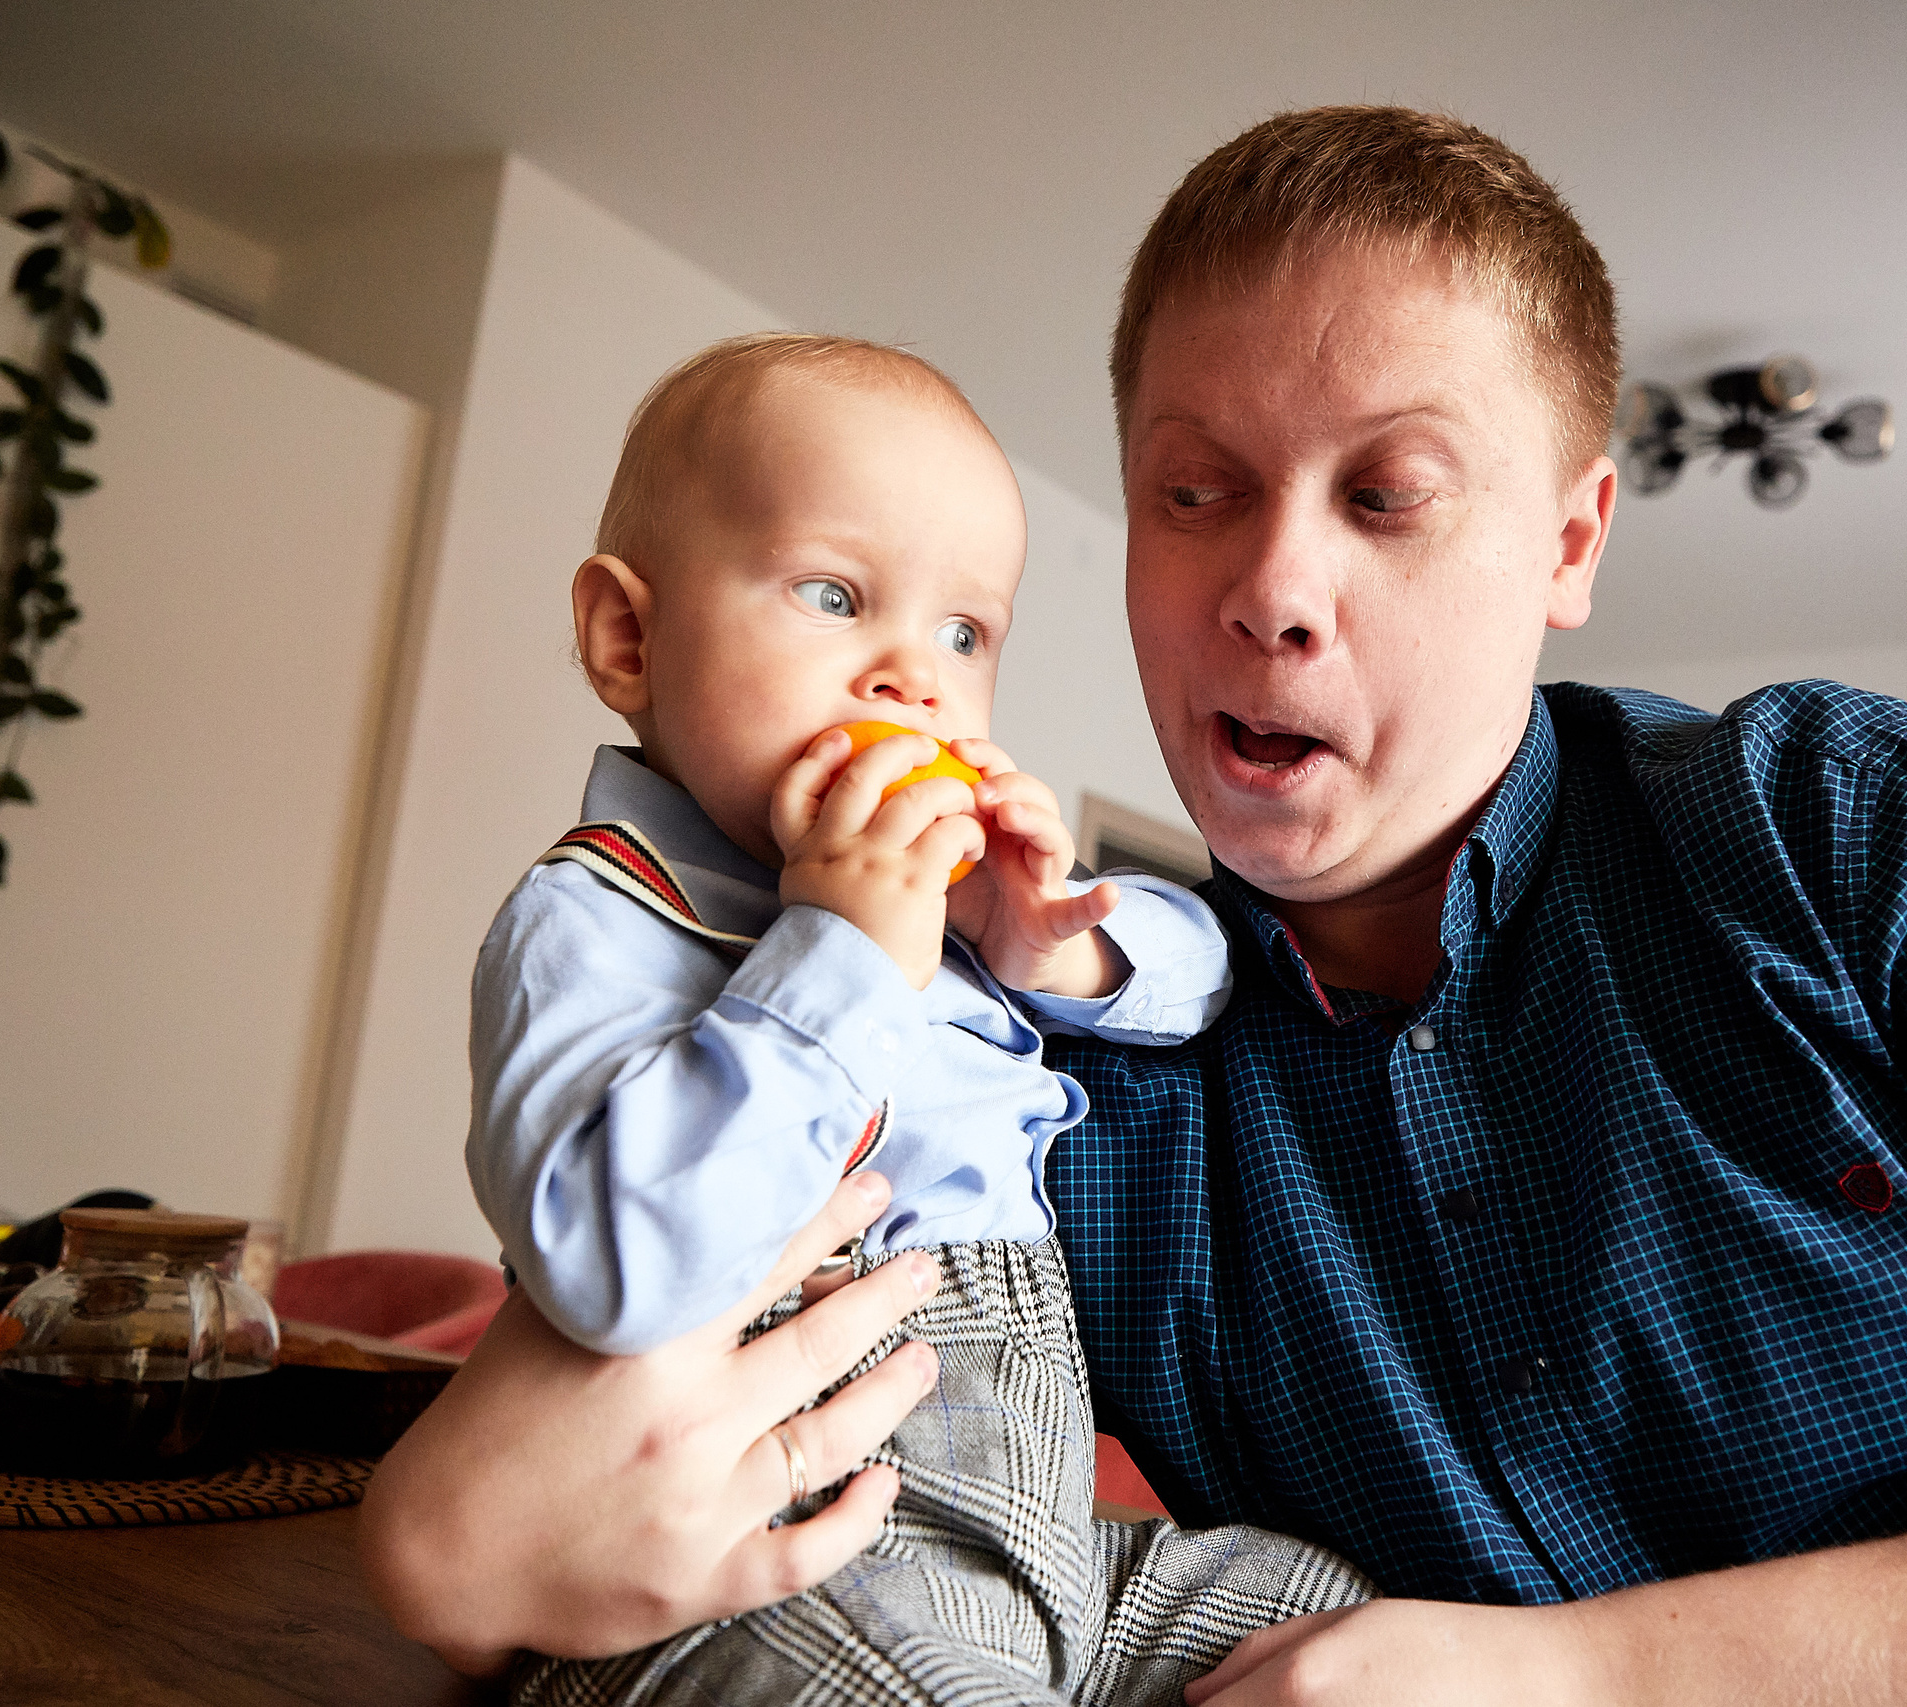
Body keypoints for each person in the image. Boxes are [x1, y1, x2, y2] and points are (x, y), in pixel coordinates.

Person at [365, 110, 1907, 1704]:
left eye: (1386, 493)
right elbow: (637, 1363)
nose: (1271, 589)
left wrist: (1587, 1680)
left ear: (1571, 541)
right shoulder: (1081, 1064)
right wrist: (442, 1540)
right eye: (1193, 492)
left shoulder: (1842, 833)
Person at [458, 332, 1369, 1705]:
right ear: (629, 639)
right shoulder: (599, 916)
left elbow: (1210, 973)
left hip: (1040, 1544)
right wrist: (840, 950)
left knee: (1338, 1624)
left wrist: (1049, 941)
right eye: (834, 596)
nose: (914, 679)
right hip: (790, 1552)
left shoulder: (953, 899)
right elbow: (612, 1264)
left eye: (963, 634)